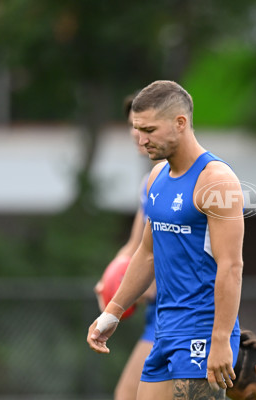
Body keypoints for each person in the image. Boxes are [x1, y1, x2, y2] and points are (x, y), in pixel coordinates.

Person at [87, 80, 244, 400]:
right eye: (136, 129)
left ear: (180, 123)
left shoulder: (216, 181)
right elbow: (146, 253)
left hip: (202, 331)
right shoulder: (157, 178)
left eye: (149, 130)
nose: (141, 140)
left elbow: (231, 266)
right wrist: (112, 312)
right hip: (164, 329)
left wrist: (221, 339)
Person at [93, 92, 158, 400]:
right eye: (133, 125)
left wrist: (148, 285)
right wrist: (109, 281)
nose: (136, 134)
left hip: (187, 314)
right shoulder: (149, 183)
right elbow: (135, 248)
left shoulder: (201, 178)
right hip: (157, 315)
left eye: (144, 126)